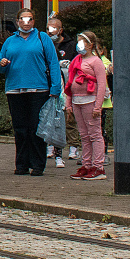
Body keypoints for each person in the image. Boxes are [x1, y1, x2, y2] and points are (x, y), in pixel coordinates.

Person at [0, 8, 63, 176]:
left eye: (30, 19)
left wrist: (55, 88)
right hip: (15, 90)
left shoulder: (42, 38)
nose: (26, 23)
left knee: (36, 128)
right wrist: (1, 64)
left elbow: (53, 63)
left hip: (38, 89)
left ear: (34, 21)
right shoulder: (10, 41)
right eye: (23, 19)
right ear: (17, 21)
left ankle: (38, 165)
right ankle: (22, 164)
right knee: (20, 129)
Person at [64, 30, 110, 180]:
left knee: (95, 134)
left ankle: (98, 166)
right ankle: (86, 164)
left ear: (90, 45)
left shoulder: (96, 61)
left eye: (82, 42)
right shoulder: (76, 60)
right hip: (77, 101)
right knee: (84, 135)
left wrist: (98, 106)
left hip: (90, 101)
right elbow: (70, 82)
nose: (79, 45)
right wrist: (69, 103)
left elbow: (102, 84)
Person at [45, 16, 78, 169]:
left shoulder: (71, 45)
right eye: (48, 29)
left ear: (60, 30)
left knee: (69, 118)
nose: (50, 32)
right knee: (52, 118)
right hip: (50, 85)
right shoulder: (44, 43)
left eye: (53, 28)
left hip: (68, 85)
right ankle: (51, 146)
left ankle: (73, 146)